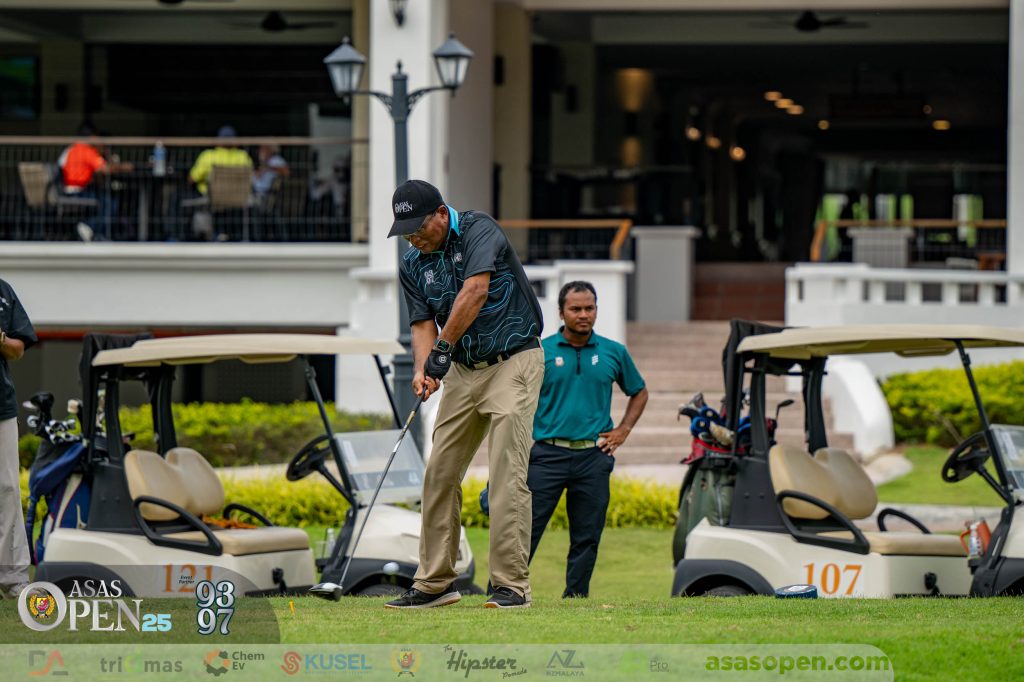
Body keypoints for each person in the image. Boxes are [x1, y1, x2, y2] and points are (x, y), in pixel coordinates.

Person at [384, 179, 544, 610]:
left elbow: (475, 291)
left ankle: (511, 586)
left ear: (441, 213)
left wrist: (441, 350)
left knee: (506, 473)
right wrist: (425, 369)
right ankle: (435, 582)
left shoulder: (478, 229)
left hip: (513, 360)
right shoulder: (412, 263)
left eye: (419, 228)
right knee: (439, 471)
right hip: (462, 370)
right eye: (406, 233)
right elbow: (422, 323)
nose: (414, 239)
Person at [528, 281, 648, 598]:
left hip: (593, 457)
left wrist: (623, 430)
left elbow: (639, 391)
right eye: (576, 309)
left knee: (587, 535)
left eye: (589, 308)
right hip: (547, 455)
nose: (583, 314)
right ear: (561, 312)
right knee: (524, 530)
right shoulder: (541, 351)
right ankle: (506, 590)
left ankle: (576, 598)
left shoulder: (614, 352)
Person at [0, 278, 37, 600]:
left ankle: (12, 577)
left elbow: (17, 349)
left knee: (8, 488)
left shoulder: (3, 291)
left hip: (2, 407)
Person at [59, 123, 133, 241]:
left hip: (66, 190)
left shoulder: (70, 150)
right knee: (110, 203)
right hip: (79, 192)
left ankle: (91, 230)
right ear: (92, 136)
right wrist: (124, 167)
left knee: (104, 199)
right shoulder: (87, 150)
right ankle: (91, 228)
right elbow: (105, 169)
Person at [188, 125, 253, 196]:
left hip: (211, 197)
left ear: (218, 140)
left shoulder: (208, 156)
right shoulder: (243, 156)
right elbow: (252, 178)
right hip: (238, 196)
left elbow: (192, 178)